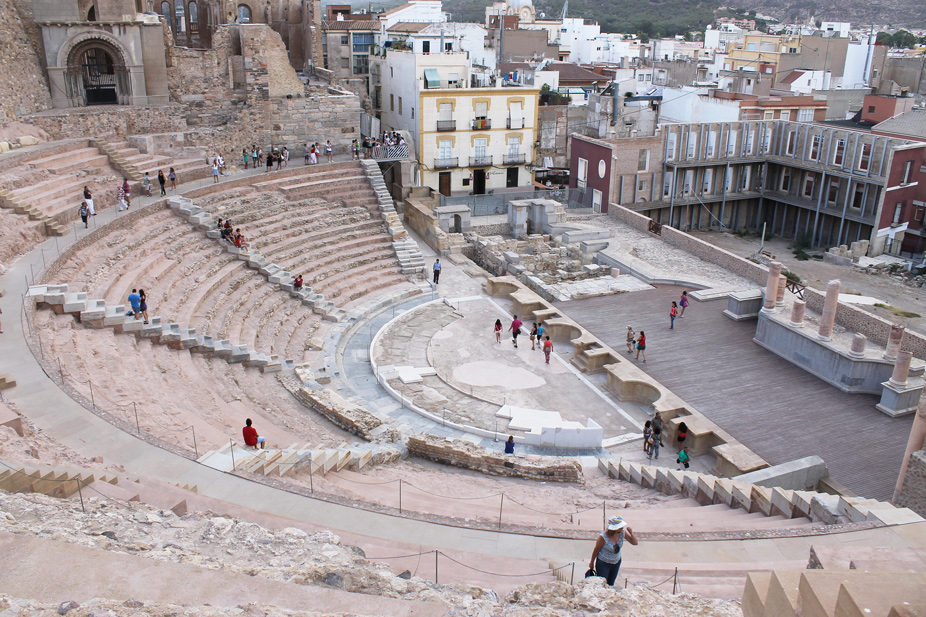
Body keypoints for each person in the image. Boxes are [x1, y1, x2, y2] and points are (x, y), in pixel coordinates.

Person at [589, 515, 638, 587]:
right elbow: (596, 549)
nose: (622, 528)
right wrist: (592, 562)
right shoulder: (603, 537)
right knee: (602, 584)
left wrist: (631, 532)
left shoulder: (622, 533)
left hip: (616, 562)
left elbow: (634, 542)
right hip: (603, 563)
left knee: (611, 583)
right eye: (620, 527)